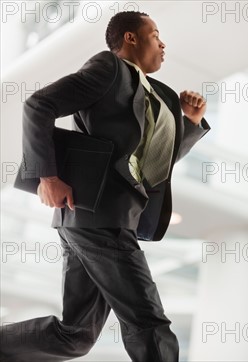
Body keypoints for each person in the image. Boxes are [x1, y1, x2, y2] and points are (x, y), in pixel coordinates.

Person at [0, 11, 210, 361]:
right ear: (130, 38)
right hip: (98, 215)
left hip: (99, 218)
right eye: (155, 34)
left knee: (76, 337)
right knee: (148, 321)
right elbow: (39, 105)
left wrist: (188, 122)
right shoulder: (109, 69)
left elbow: (154, 163)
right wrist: (48, 177)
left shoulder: (154, 93)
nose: (163, 43)